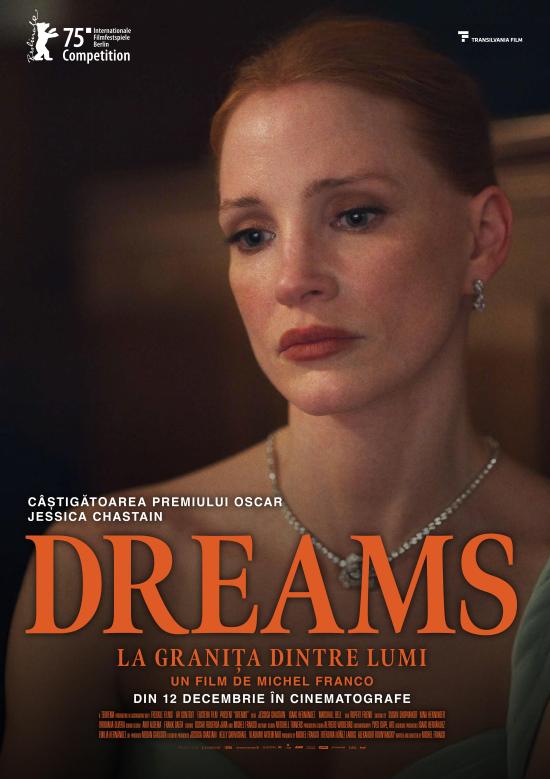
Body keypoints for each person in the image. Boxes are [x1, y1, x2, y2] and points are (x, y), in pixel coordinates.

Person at [2, 14, 550, 779]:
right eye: (252, 234)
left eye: (355, 214)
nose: (294, 279)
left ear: (482, 237)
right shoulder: (102, 562)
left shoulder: (539, 575)